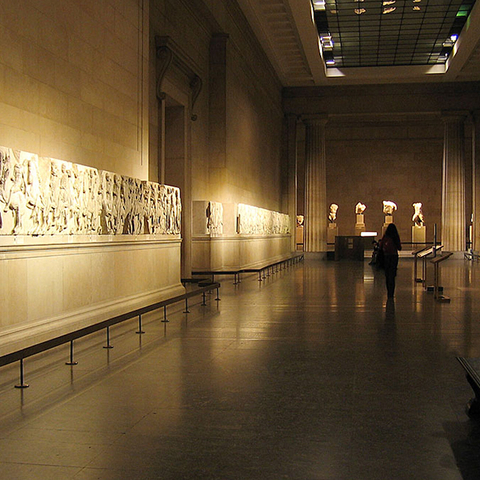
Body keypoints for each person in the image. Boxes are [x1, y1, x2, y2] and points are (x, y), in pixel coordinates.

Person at [379, 223, 402, 298]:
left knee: (387, 274)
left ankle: (388, 291)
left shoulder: (385, 237)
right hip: (394, 256)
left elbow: (381, 246)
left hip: (386, 256)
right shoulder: (395, 237)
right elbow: (399, 247)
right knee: (392, 274)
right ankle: (391, 293)